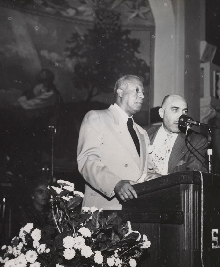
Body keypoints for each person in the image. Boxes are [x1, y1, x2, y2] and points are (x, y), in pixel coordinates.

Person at [77, 75, 150, 210]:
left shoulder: (142, 133)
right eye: (136, 90)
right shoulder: (96, 117)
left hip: (135, 212)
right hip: (104, 210)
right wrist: (115, 184)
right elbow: (87, 161)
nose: (142, 96)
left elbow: (143, 173)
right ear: (120, 92)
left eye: (143, 92)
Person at [146, 94, 208, 179]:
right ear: (161, 113)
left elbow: (194, 179)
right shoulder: (144, 134)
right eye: (175, 110)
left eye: (184, 111)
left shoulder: (196, 141)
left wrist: (160, 179)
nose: (181, 117)